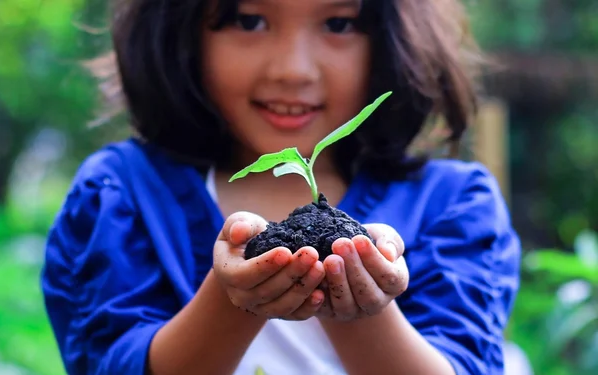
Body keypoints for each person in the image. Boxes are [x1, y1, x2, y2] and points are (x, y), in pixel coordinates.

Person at [41, 0, 521, 374]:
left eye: (338, 24)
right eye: (249, 20)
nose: (293, 69)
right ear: (180, 28)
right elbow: (108, 360)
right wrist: (233, 300)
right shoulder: (122, 194)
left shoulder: (452, 205)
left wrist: (358, 302)